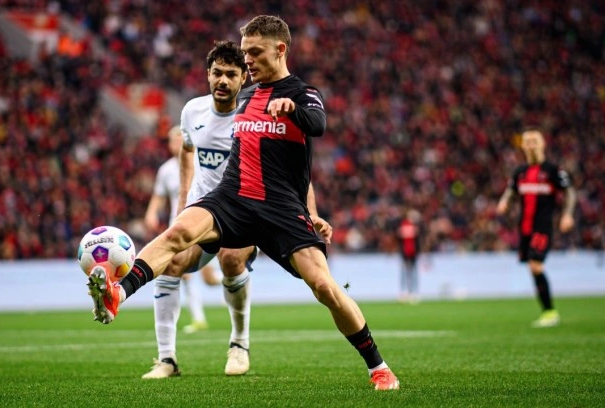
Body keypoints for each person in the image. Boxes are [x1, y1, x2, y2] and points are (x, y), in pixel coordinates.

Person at [88, 15, 398, 391]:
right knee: (177, 234)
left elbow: (317, 126)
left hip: (280, 207)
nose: (247, 59)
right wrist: (190, 198)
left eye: (255, 52)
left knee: (324, 287)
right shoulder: (246, 97)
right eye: (245, 51)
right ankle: (117, 294)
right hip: (232, 197)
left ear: (280, 50)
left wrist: (293, 116)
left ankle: (379, 367)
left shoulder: (303, 93)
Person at [142, 40, 257, 379]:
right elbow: (187, 151)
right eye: (217, 73)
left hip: (242, 211)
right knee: (170, 262)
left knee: (231, 260)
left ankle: (239, 344)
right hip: (202, 210)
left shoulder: (252, 117)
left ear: (243, 79)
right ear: (208, 74)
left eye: (231, 74)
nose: (223, 80)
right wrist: (183, 203)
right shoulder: (192, 111)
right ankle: (167, 360)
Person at [143, 125, 221, 336]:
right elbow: (159, 196)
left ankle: (233, 280)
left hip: (205, 225)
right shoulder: (166, 170)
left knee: (209, 280)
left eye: (180, 140)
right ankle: (198, 319)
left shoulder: (203, 163)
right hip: (178, 227)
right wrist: (151, 213)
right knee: (184, 273)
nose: (177, 144)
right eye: (173, 140)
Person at [496, 129, 576, 328]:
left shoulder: (553, 170)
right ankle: (547, 311)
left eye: (534, 141)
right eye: (527, 142)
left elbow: (570, 192)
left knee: (535, 265)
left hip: (543, 226)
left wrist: (567, 214)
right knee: (532, 268)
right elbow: (511, 191)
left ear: (542, 144)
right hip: (524, 228)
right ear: (523, 146)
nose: (531, 145)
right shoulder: (520, 172)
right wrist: (504, 202)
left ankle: (550, 312)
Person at [396, 208, 421, 303]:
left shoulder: (415, 227)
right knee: (405, 272)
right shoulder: (403, 225)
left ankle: (414, 291)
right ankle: (404, 291)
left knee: (413, 272)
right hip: (405, 252)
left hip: (413, 252)